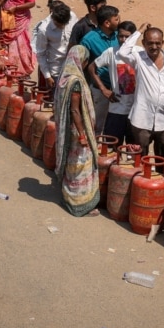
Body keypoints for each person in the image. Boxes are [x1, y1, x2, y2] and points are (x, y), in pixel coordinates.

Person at [117, 26, 164, 160]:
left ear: (162, 43)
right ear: (143, 43)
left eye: (158, 43)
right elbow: (122, 52)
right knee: (139, 157)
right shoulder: (138, 58)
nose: (154, 46)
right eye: (150, 43)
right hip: (142, 120)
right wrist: (138, 32)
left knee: (162, 158)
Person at [53, 46, 101, 217]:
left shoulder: (63, 78)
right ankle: (79, 204)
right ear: (81, 61)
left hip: (67, 130)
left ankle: (67, 197)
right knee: (81, 165)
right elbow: (75, 110)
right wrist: (82, 134)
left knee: (72, 165)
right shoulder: (75, 82)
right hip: (77, 130)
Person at [89, 21, 138, 145]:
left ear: (133, 37)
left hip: (136, 110)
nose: (123, 39)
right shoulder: (111, 52)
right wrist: (104, 89)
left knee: (134, 149)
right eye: (120, 36)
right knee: (112, 146)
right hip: (117, 109)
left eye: (127, 37)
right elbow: (92, 68)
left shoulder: (140, 53)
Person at [82, 5, 121, 132]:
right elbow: (83, 65)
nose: (119, 21)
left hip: (119, 88)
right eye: (116, 19)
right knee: (98, 123)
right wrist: (102, 89)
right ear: (107, 23)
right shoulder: (89, 39)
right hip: (101, 89)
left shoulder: (119, 36)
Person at [0, 0, 37, 78]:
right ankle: (11, 69)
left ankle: (23, 69)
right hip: (8, 18)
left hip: (21, 20)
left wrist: (16, 8)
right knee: (8, 43)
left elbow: (32, 3)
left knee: (21, 44)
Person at [34, 0, 77, 92]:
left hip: (72, 68)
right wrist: (47, 76)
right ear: (52, 17)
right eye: (58, 24)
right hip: (55, 71)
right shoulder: (44, 29)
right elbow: (41, 54)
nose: (62, 27)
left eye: (64, 24)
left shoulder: (72, 16)